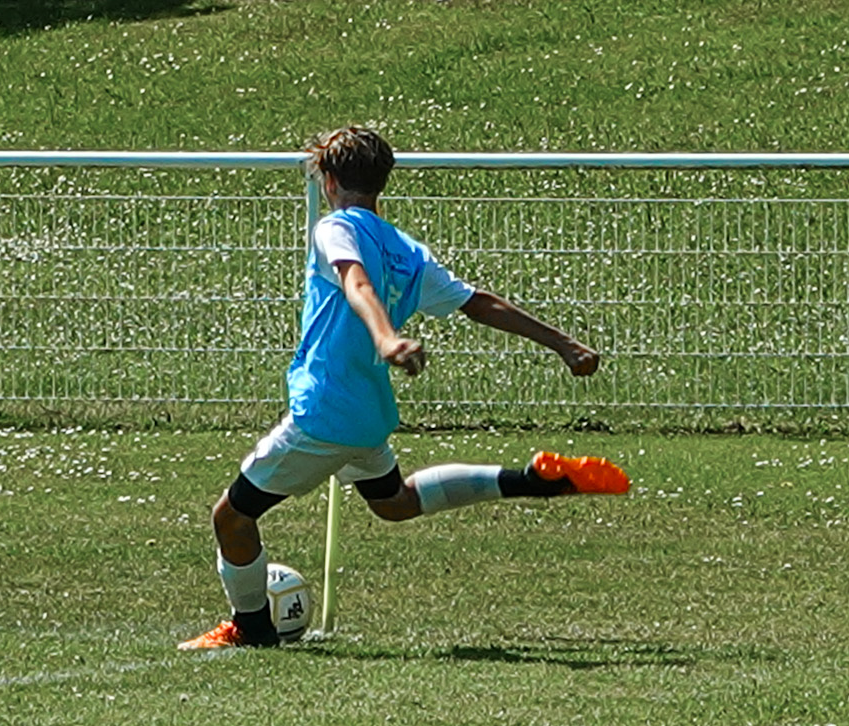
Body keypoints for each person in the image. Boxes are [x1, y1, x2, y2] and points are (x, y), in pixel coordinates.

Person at [182, 125, 629, 651]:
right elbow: (477, 301)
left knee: (232, 517)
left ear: (328, 181)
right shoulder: (406, 250)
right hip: (367, 414)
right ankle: (530, 480)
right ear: (382, 183)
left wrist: (387, 337)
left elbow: (355, 283)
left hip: (324, 412)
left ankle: (251, 630)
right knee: (394, 502)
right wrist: (564, 344)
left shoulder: (335, 228)